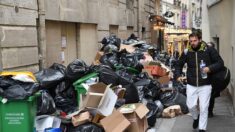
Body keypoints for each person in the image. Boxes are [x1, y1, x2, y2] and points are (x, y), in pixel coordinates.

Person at [175, 32, 224, 132]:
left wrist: (209, 68)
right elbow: (178, 65)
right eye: (191, 41)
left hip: (206, 84)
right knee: (190, 105)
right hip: (191, 84)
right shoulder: (186, 52)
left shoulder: (209, 50)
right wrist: (178, 75)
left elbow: (220, 63)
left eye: (195, 41)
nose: (193, 43)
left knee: (204, 107)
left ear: (200, 40)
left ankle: (202, 129)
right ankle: (195, 118)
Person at [206, 42, 231, 118]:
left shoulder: (215, 58)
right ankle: (207, 111)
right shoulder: (206, 56)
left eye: (210, 47)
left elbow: (219, 66)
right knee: (209, 96)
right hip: (207, 80)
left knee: (211, 96)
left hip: (214, 80)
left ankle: (210, 111)